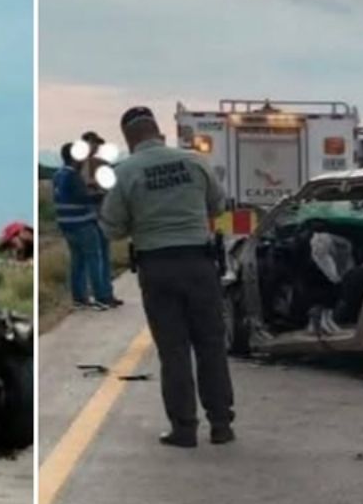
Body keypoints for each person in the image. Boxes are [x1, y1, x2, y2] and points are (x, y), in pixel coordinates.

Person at [100, 106, 236, 447]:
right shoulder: (194, 162)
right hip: (199, 264)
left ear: (129, 139)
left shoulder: (126, 172)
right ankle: (221, 424)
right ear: (157, 131)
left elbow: (112, 228)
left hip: (157, 267)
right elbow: (218, 207)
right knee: (211, 346)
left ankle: (184, 428)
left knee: (173, 351)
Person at [53, 142, 115, 310]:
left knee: (77, 262)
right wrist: (100, 195)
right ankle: (101, 298)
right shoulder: (73, 175)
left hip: (67, 225)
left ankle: (79, 298)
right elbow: (82, 197)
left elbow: (69, 195)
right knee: (95, 260)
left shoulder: (58, 175)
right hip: (82, 223)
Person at [81, 131, 123, 307]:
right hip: (91, 215)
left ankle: (106, 292)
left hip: (101, 213)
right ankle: (101, 295)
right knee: (97, 257)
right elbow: (85, 184)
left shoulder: (96, 163)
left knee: (102, 256)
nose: (97, 147)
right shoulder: (82, 164)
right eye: (95, 144)